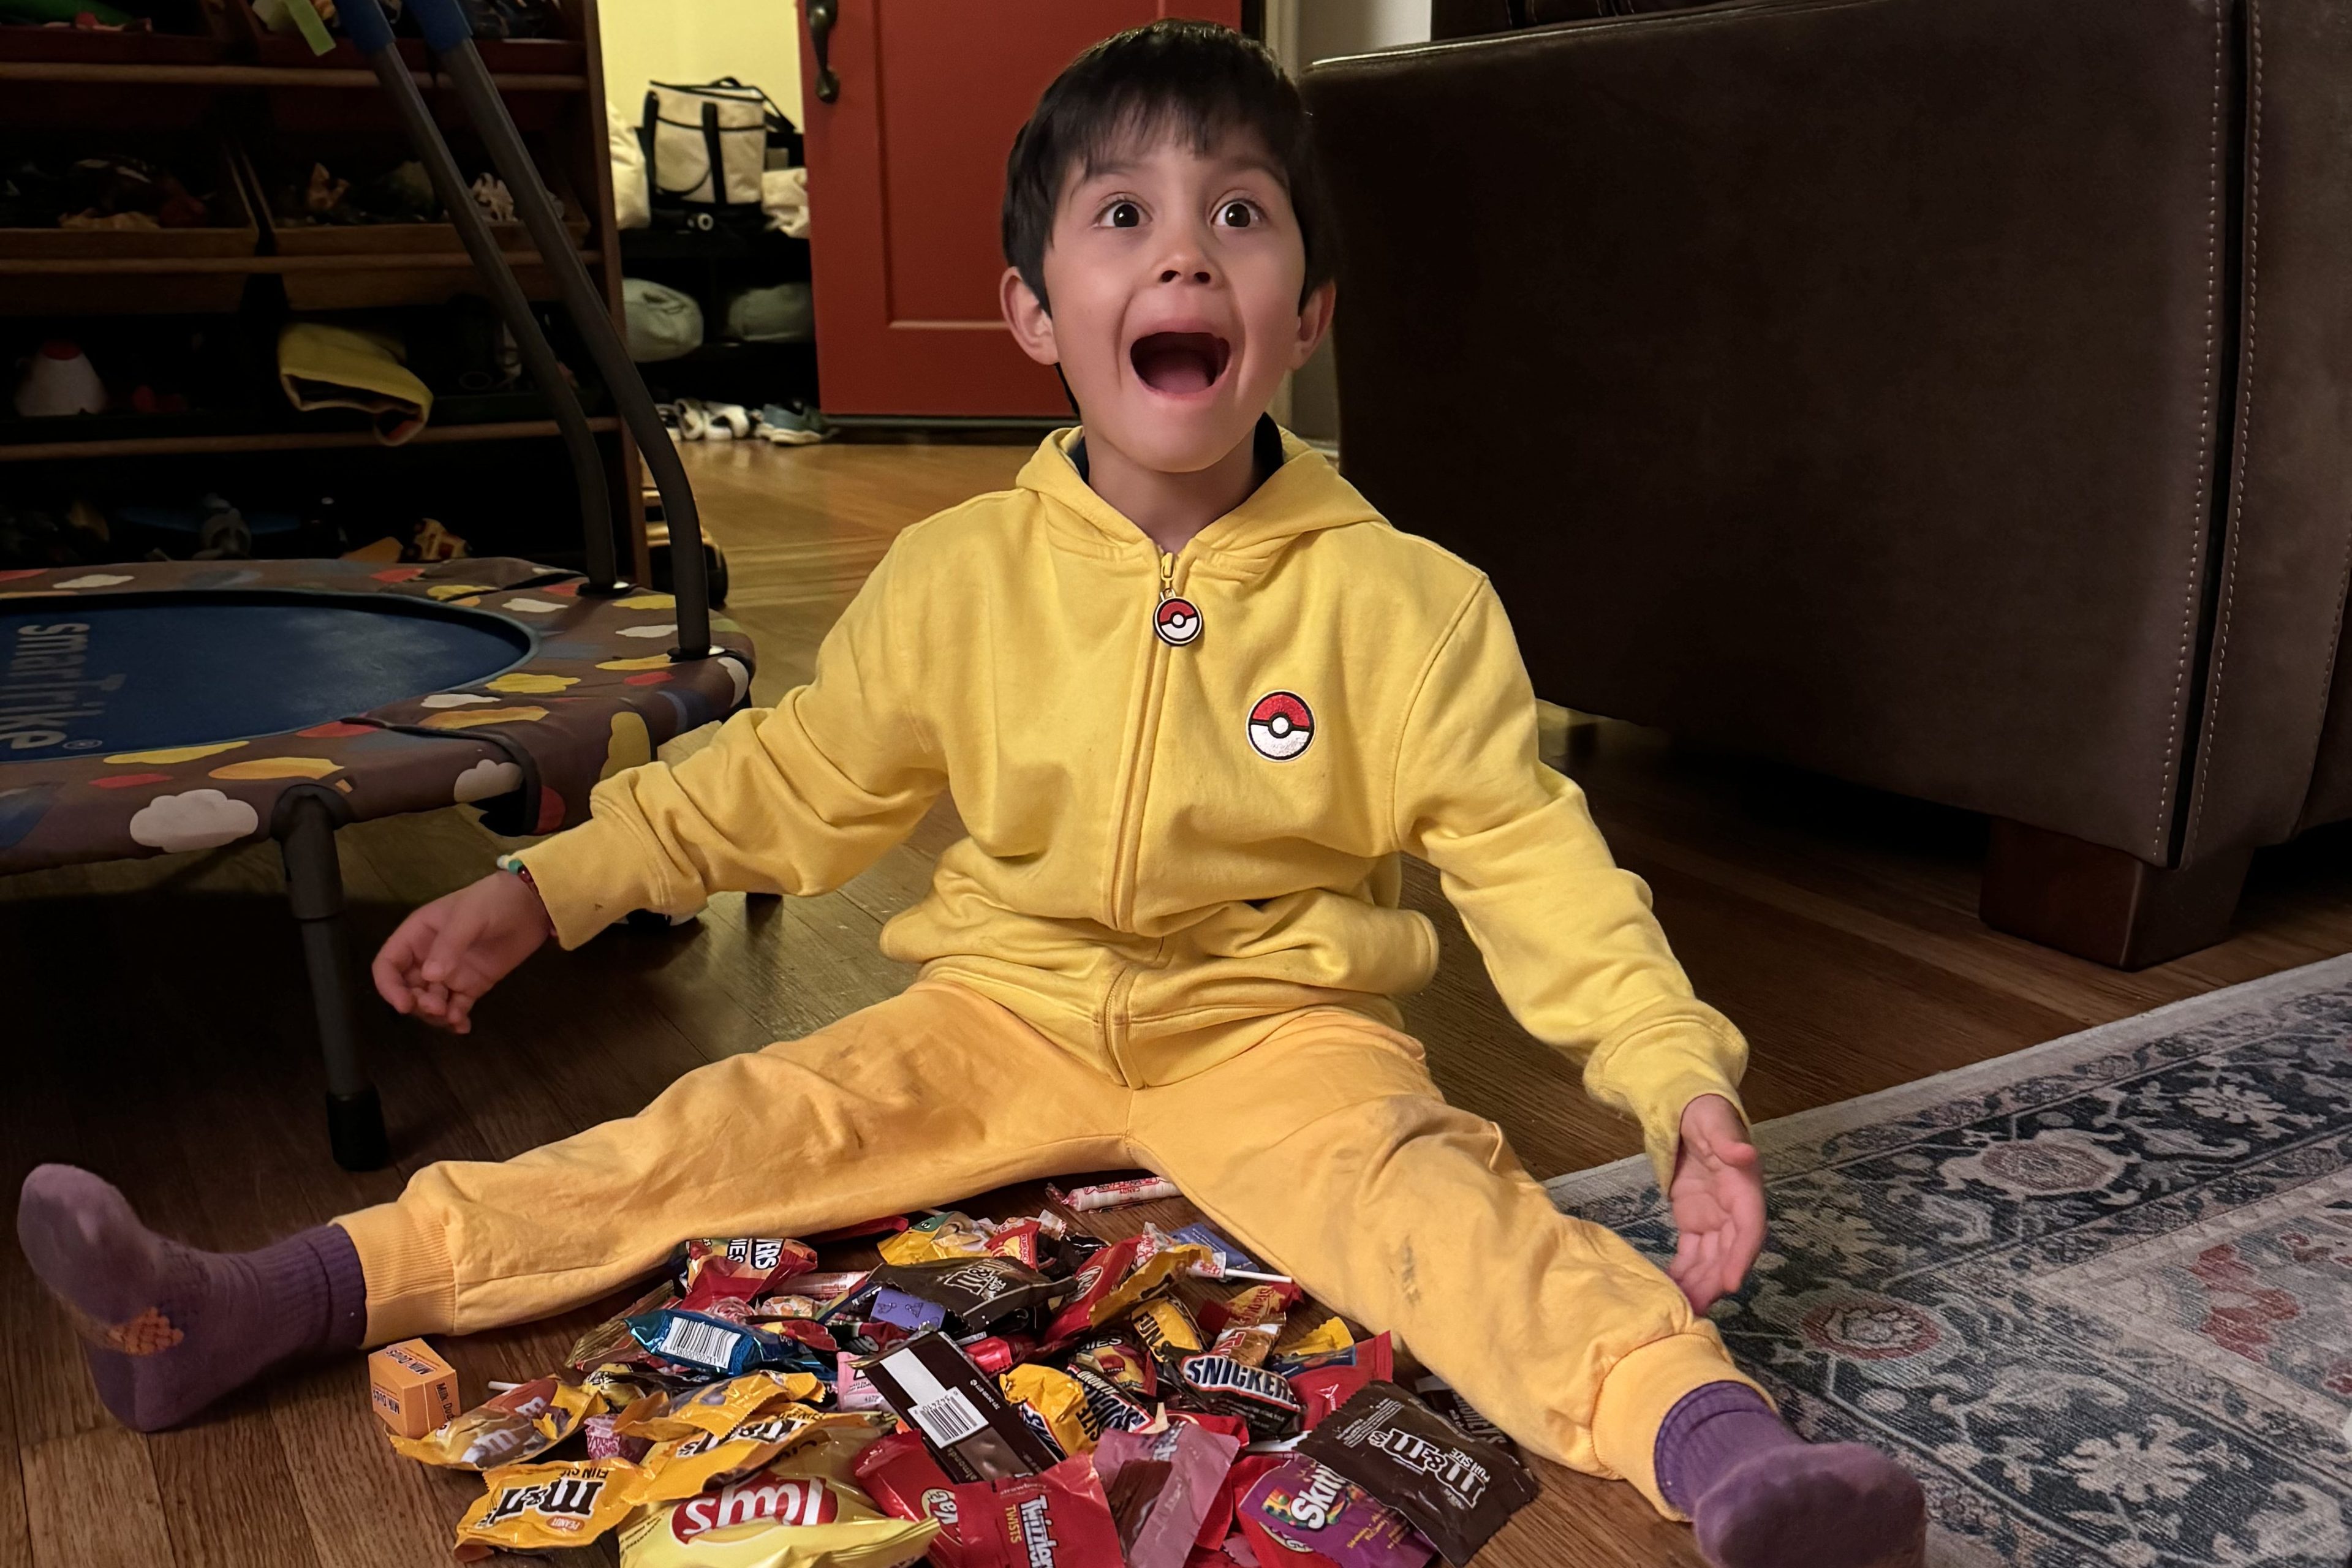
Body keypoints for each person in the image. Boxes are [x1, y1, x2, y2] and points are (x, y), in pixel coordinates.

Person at [17, 21, 1926, 1567]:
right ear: (1034, 316)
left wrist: (1675, 1079)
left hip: (1281, 1028)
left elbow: (1535, 860)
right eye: (1124, 216)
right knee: (710, 1135)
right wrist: (554, 888)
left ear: (1309, 316)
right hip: (995, 1009)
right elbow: (791, 781)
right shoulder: (955, 579)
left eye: (1240, 215)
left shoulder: (1407, 606)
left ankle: (1730, 1456)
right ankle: (248, 1303)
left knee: (1454, 1220)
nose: (1184, 251)